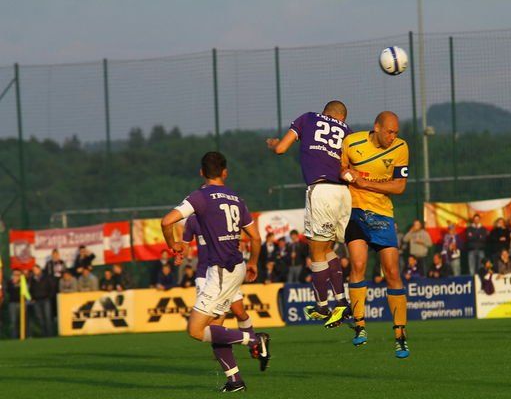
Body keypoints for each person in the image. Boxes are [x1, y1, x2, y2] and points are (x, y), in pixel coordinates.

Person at [161, 151, 269, 393]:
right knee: (216, 329)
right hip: (237, 266)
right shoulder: (237, 199)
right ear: (225, 172)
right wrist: (254, 262)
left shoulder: (200, 197)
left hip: (220, 271)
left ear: (201, 172)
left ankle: (254, 339)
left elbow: (166, 221)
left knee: (195, 330)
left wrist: (172, 244)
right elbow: (256, 238)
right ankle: (235, 380)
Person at [267, 100, 352, 326]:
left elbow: (281, 149)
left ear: (325, 112)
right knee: (327, 249)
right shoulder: (347, 131)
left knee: (315, 251)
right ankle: (341, 302)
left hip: (321, 191)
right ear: (342, 118)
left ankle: (322, 307)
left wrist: (274, 144)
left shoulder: (308, 118)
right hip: (344, 194)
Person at [341, 111, 410, 358]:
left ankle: (400, 336)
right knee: (358, 264)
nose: (393, 137)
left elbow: (399, 186)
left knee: (392, 272)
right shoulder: (352, 142)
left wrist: (365, 183)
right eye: (389, 132)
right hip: (355, 211)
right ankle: (359, 324)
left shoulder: (401, 148)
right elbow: (340, 168)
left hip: (382, 215)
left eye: (396, 132)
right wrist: (346, 174)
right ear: (377, 127)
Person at [181, 214, 260, 349]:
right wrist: (179, 252)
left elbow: (249, 236)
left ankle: (255, 345)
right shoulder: (193, 220)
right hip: (204, 275)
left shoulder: (222, 215)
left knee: (239, 311)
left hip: (225, 271)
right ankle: (236, 350)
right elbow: (185, 244)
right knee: (214, 321)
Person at [29, 265, 53, 337]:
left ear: (39, 269)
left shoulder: (46, 277)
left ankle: (50, 334)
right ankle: (44, 334)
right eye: (33, 270)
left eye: (36, 269)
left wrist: (49, 296)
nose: (35, 271)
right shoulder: (32, 279)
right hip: (36, 301)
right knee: (40, 318)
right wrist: (32, 298)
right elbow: (31, 290)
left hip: (46, 300)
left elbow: (51, 287)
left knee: (47, 317)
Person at [7, 269, 23, 339]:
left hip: (21, 303)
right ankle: (14, 337)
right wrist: (14, 283)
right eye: (14, 275)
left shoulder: (23, 282)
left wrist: (20, 284)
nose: (16, 276)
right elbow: (8, 291)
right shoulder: (9, 283)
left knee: (23, 321)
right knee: (13, 321)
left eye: (18, 275)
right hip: (12, 303)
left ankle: (24, 336)